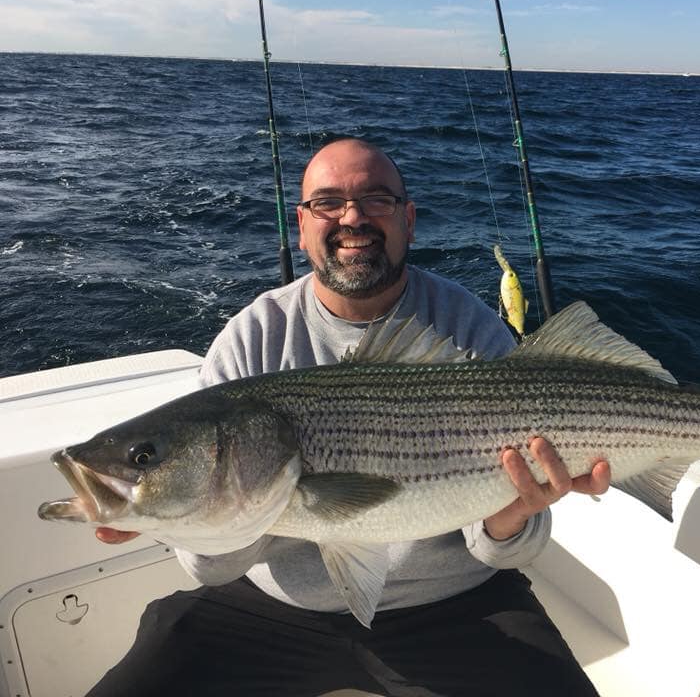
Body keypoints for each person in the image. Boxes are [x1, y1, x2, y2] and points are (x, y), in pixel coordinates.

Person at [90, 137, 610, 697]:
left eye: (377, 200)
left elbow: (516, 548)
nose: (352, 218)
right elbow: (213, 571)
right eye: (328, 203)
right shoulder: (253, 336)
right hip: (273, 608)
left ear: (409, 219)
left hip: (455, 606)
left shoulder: (466, 324)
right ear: (302, 224)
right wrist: (186, 515)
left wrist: (510, 518)